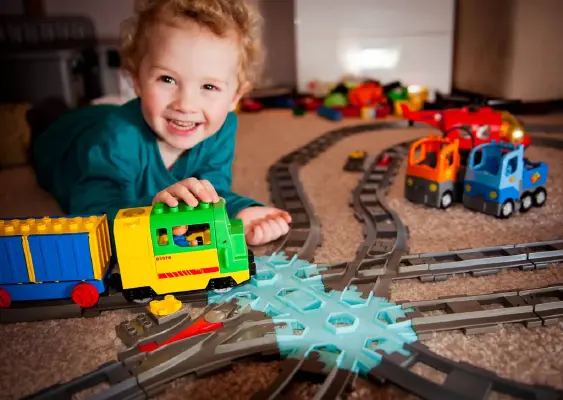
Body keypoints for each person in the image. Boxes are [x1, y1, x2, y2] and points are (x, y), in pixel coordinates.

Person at [31, 0, 291, 247]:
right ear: (136, 80)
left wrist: (240, 211)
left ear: (235, 96)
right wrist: (154, 212)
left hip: (112, 115)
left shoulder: (221, 129)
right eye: (167, 79)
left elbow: (212, 191)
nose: (185, 104)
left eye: (209, 86)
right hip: (66, 138)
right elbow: (92, 217)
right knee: (45, 119)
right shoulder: (116, 138)